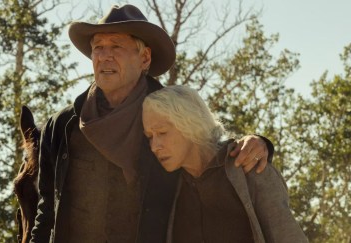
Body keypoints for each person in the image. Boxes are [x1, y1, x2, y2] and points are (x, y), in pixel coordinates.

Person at [30, 4, 274, 243]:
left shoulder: (169, 118)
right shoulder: (62, 125)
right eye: (98, 47)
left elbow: (210, 154)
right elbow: (46, 211)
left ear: (145, 57)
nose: (104, 56)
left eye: (116, 46)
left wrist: (260, 144)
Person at [142, 85, 308, 243]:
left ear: (189, 123)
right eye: (150, 136)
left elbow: (288, 236)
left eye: (162, 133)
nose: (154, 146)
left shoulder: (247, 166)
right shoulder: (167, 184)